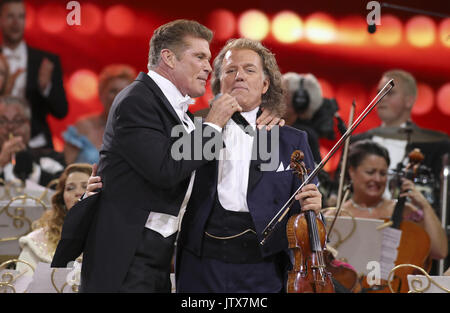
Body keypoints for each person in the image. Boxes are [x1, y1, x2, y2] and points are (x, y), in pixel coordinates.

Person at [52, 19, 283, 293]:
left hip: (161, 258)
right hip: (126, 257)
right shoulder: (137, 100)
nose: (209, 67)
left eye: (208, 59)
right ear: (169, 58)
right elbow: (166, 169)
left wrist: (261, 115)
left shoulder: (180, 114)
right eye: (199, 56)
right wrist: (212, 126)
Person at [175, 38, 322, 293]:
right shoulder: (191, 126)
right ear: (220, 83)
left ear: (265, 84)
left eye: (249, 70)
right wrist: (211, 124)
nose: (239, 76)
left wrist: (315, 206)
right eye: (230, 70)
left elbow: (306, 211)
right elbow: (171, 174)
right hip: (201, 264)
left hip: (263, 269)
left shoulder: (291, 139)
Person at [333, 140, 447, 261]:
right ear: (351, 171)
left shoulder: (406, 212)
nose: (377, 179)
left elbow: (439, 251)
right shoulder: (336, 215)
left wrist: (425, 206)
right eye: (370, 172)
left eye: (383, 173)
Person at [0, 0, 68, 149]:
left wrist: (46, 88)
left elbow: (61, 111)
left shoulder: (46, 61)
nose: (16, 23)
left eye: (21, 17)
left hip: (38, 146)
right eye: (10, 16)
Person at [16, 163, 92, 275]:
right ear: (62, 199)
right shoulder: (36, 242)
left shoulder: (112, 234)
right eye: (70, 188)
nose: (78, 192)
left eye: (85, 187)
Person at [63, 64, 136, 165]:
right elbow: (64, 170)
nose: (119, 96)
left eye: (125, 91)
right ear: (101, 93)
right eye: (113, 91)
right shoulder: (84, 126)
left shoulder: (140, 131)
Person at [0, 95, 65, 187]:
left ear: (29, 125)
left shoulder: (50, 157)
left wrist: (31, 167)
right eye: (2, 121)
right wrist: (1, 163)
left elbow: (65, 188)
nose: (10, 127)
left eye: (18, 121)